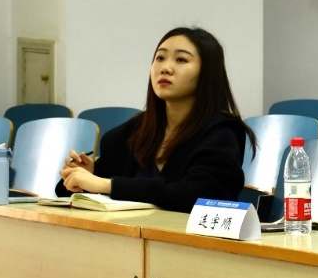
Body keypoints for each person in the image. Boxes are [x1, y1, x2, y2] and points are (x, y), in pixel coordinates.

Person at [57, 27, 254, 212]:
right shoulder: (133, 132)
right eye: (160, 58)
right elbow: (67, 192)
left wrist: (107, 185)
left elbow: (197, 194)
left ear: (207, 73)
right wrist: (84, 174)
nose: (165, 68)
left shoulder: (221, 132)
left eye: (181, 60)